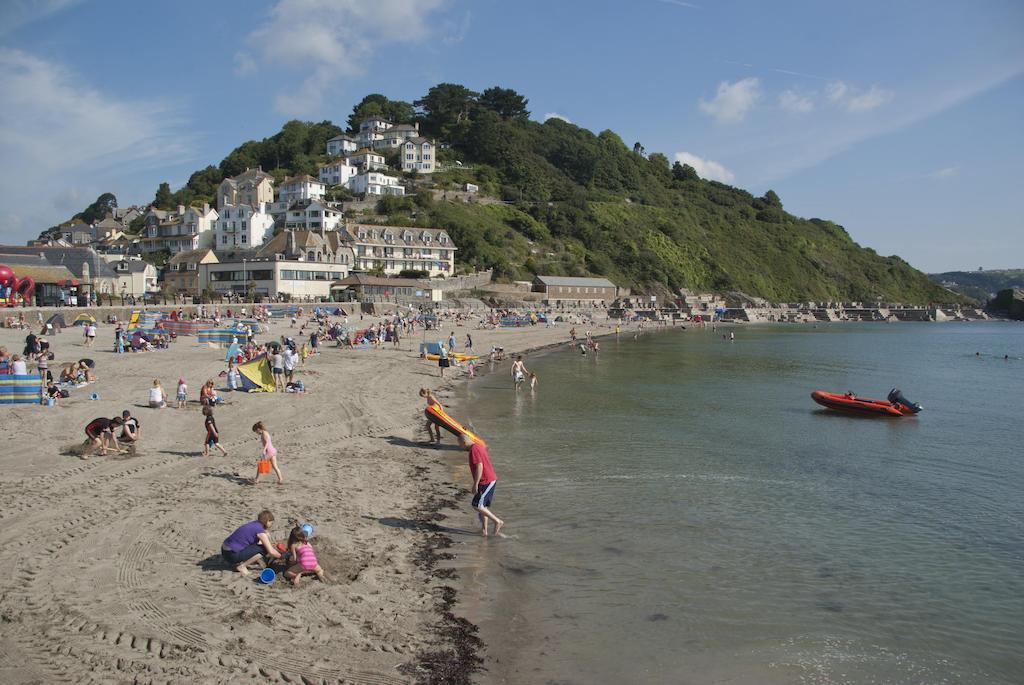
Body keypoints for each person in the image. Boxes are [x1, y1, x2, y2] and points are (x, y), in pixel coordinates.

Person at [459, 434, 504, 537]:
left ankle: (497, 521)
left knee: (476, 505)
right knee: (482, 506)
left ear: (464, 443)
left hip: (486, 480)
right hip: (488, 479)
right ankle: (484, 531)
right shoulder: (478, 446)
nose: (460, 447)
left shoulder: (473, 450)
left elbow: (480, 466)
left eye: (460, 445)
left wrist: (475, 483)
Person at [221, 510, 281, 576]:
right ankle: (242, 566)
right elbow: (271, 552)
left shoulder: (255, 524)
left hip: (225, 550)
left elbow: (262, 537)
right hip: (231, 555)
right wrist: (280, 556)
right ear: (267, 521)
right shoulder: (260, 531)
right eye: (271, 523)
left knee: (260, 546)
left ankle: (249, 559)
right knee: (264, 550)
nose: (271, 525)